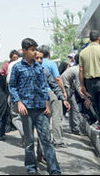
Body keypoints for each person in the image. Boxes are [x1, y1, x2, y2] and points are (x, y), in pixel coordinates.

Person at [9, 38, 61, 175]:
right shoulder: (17, 68)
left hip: (41, 109)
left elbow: (44, 87)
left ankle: (54, 169)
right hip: (26, 110)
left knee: (46, 140)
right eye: (32, 50)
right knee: (29, 142)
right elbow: (12, 87)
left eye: (35, 49)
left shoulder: (39, 68)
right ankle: (31, 169)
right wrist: (18, 102)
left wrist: (48, 104)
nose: (35, 53)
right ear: (24, 51)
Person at [38, 45, 68, 148]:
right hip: (52, 93)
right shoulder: (51, 63)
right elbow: (57, 79)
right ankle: (58, 141)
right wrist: (63, 92)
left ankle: (45, 141)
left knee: (45, 119)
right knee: (56, 117)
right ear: (49, 54)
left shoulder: (36, 64)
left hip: (40, 95)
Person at [61, 54, 88, 135]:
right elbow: (78, 86)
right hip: (66, 88)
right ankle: (75, 129)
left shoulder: (75, 68)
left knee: (70, 108)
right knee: (74, 108)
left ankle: (74, 128)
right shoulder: (77, 70)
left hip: (66, 88)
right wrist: (85, 97)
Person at [6, 52, 24, 140]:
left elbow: (9, 81)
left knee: (16, 117)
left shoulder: (12, 65)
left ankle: (24, 134)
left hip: (16, 96)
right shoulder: (33, 63)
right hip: (29, 96)